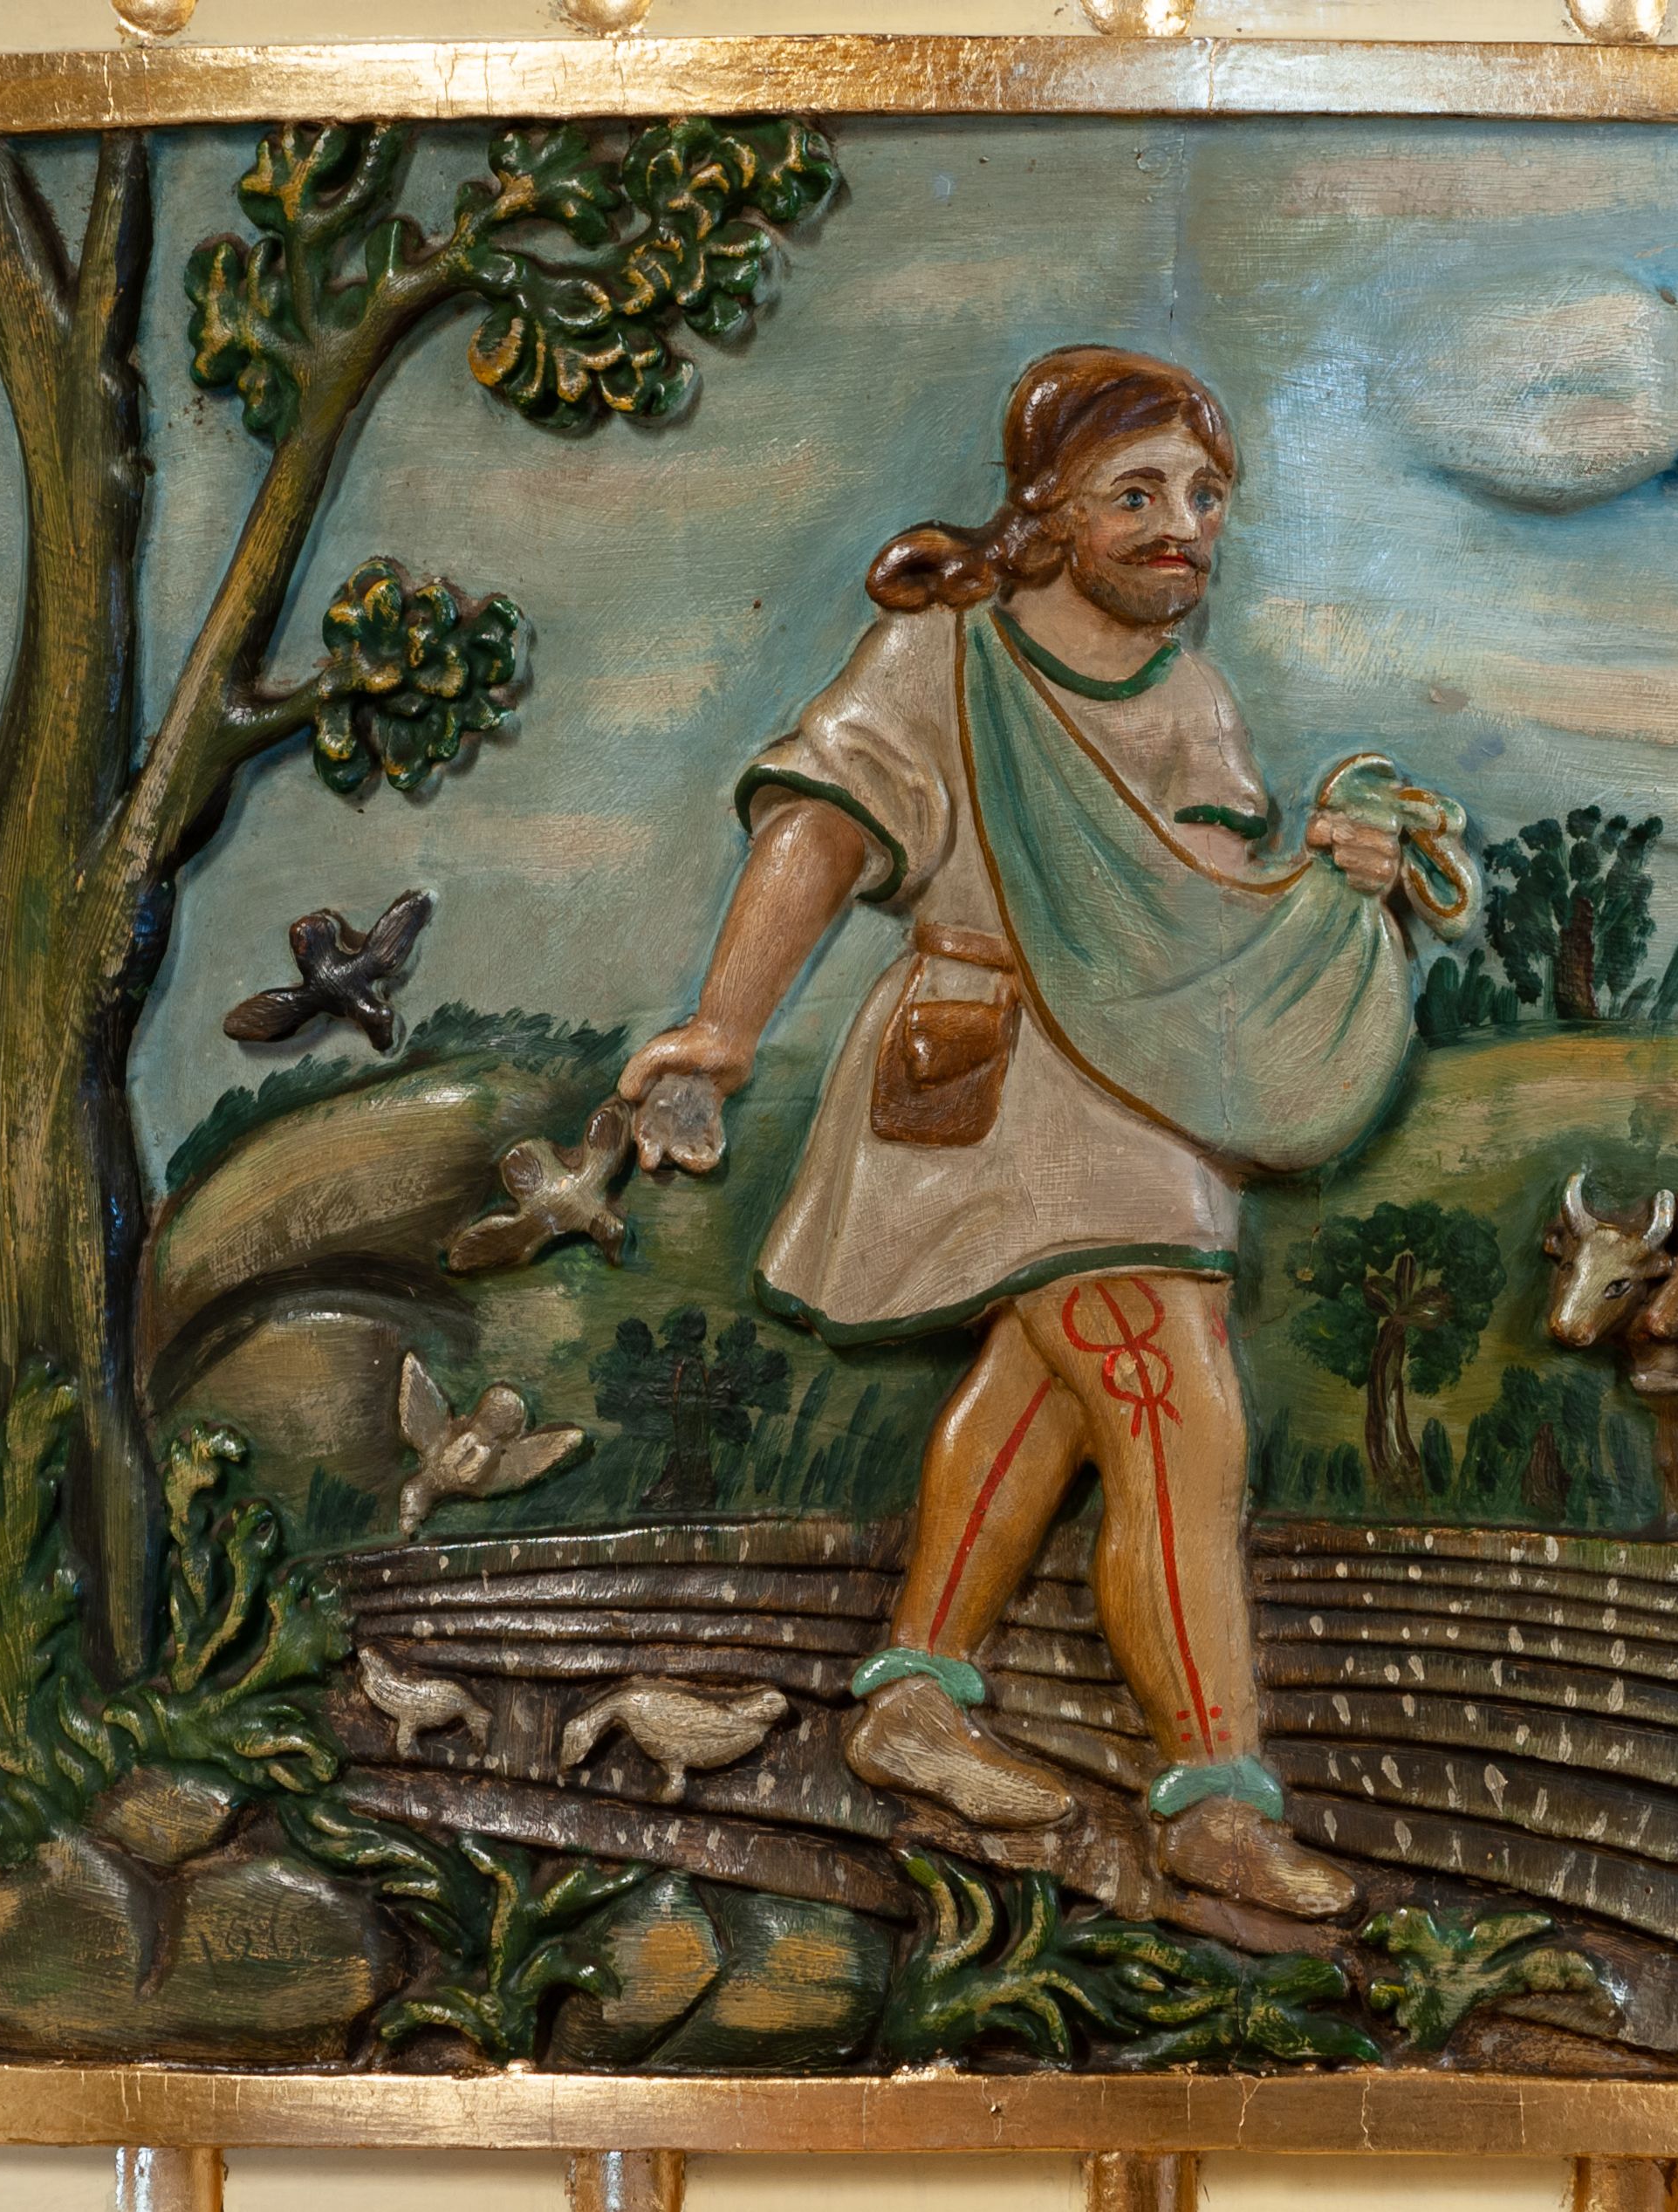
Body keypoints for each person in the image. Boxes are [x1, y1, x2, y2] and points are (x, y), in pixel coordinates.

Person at [620, 345, 1418, 1920]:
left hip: (1149, 1088)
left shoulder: (1190, 696)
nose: (1182, 527)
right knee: (1177, 1409)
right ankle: (1212, 1794)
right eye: (1137, 493)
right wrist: (721, 1028)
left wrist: (1336, 884)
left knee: (1042, 1398)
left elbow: (1198, 911)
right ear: (1048, 509)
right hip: (995, 1073)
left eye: (1206, 496)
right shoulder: (945, 655)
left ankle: (914, 1701)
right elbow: (820, 828)